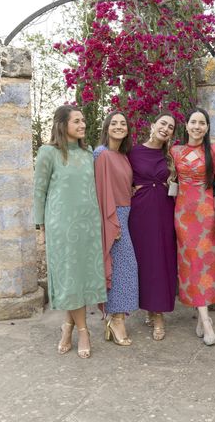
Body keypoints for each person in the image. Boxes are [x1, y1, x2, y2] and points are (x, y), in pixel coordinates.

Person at [34, 105, 106, 358]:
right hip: (61, 227)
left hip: (88, 225)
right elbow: (39, 190)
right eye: (77, 121)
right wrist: (41, 226)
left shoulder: (88, 154)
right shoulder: (48, 153)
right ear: (62, 125)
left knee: (80, 279)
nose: (82, 124)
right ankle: (84, 330)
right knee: (69, 278)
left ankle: (67, 327)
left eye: (84, 120)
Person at [171, 108, 215, 346]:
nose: (197, 126)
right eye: (193, 122)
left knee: (205, 265)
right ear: (186, 126)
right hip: (183, 214)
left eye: (201, 123)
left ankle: (204, 319)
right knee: (190, 263)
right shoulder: (175, 151)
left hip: (205, 215)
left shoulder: (214, 151)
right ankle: (204, 318)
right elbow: (168, 179)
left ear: (206, 127)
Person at [128, 112, 178, 341]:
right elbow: (122, 178)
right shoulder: (134, 152)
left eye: (170, 127)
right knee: (146, 262)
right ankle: (150, 308)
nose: (166, 128)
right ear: (152, 125)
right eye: (163, 123)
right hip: (141, 213)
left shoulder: (171, 155)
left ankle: (158, 314)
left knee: (161, 261)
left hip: (165, 212)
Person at [93, 111, 139, 346]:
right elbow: (101, 191)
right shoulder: (101, 154)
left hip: (126, 212)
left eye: (123, 123)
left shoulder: (123, 155)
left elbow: (121, 184)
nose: (119, 126)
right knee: (123, 268)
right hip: (112, 215)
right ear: (107, 127)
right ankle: (116, 319)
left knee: (123, 268)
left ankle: (114, 318)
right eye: (114, 123)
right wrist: (112, 223)